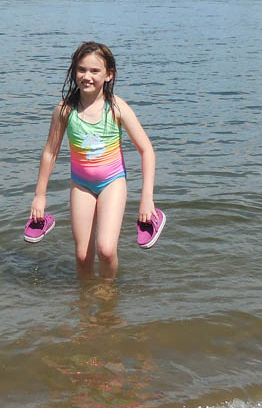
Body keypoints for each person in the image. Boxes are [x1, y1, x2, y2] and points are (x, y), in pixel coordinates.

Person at [28, 41, 164, 278]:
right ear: (74, 71)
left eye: (94, 71)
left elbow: (146, 150)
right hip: (81, 185)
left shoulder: (117, 108)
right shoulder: (65, 110)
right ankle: (85, 296)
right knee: (82, 255)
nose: (87, 76)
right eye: (81, 70)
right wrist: (40, 196)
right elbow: (50, 152)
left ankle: (107, 291)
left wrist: (147, 199)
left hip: (112, 182)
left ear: (109, 75)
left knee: (106, 249)